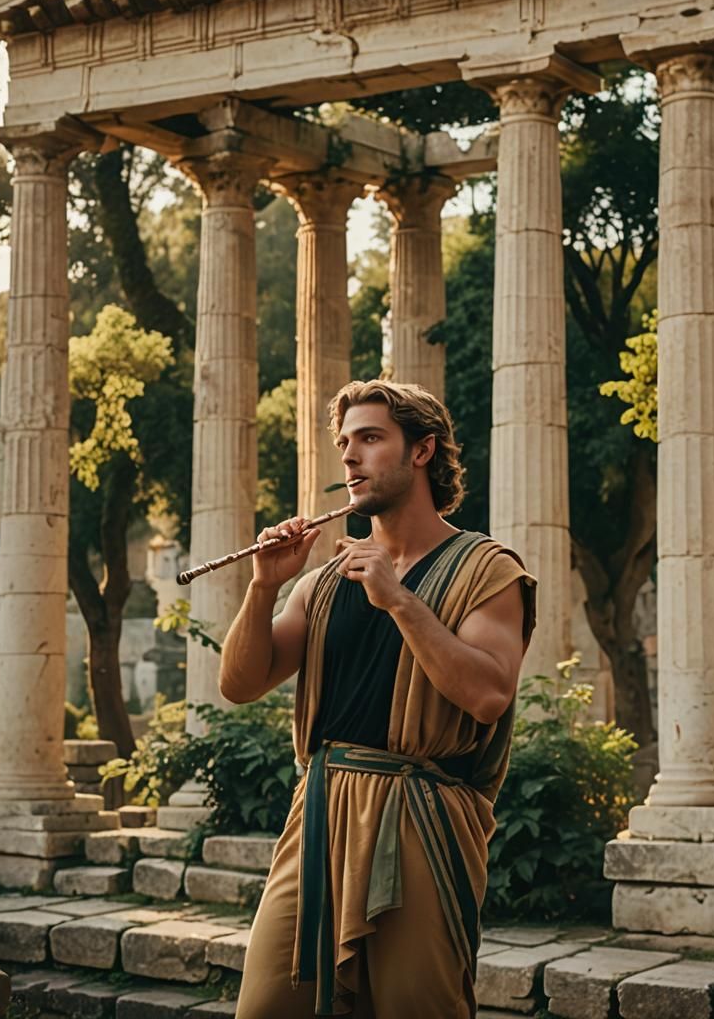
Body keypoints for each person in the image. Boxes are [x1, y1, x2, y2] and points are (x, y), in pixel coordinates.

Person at [221, 379, 536, 1018]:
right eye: (344, 443)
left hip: (420, 816)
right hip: (318, 815)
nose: (350, 457)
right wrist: (263, 587)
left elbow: (487, 694)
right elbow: (240, 684)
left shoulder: (488, 569)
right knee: (266, 1008)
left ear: (422, 451)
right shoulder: (324, 581)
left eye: (370, 438)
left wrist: (398, 599)